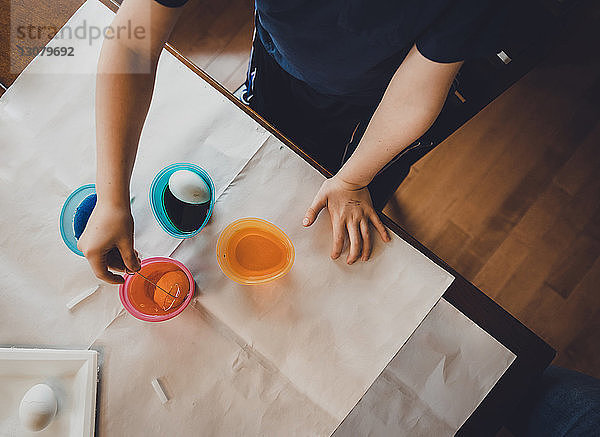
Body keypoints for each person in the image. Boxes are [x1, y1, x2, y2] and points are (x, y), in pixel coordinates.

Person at [78, 0, 506, 282]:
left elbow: (415, 95)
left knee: (337, 230)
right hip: (280, 62)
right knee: (267, 151)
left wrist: (354, 179)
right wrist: (112, 197)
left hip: (381, 110)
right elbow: (132, 42)